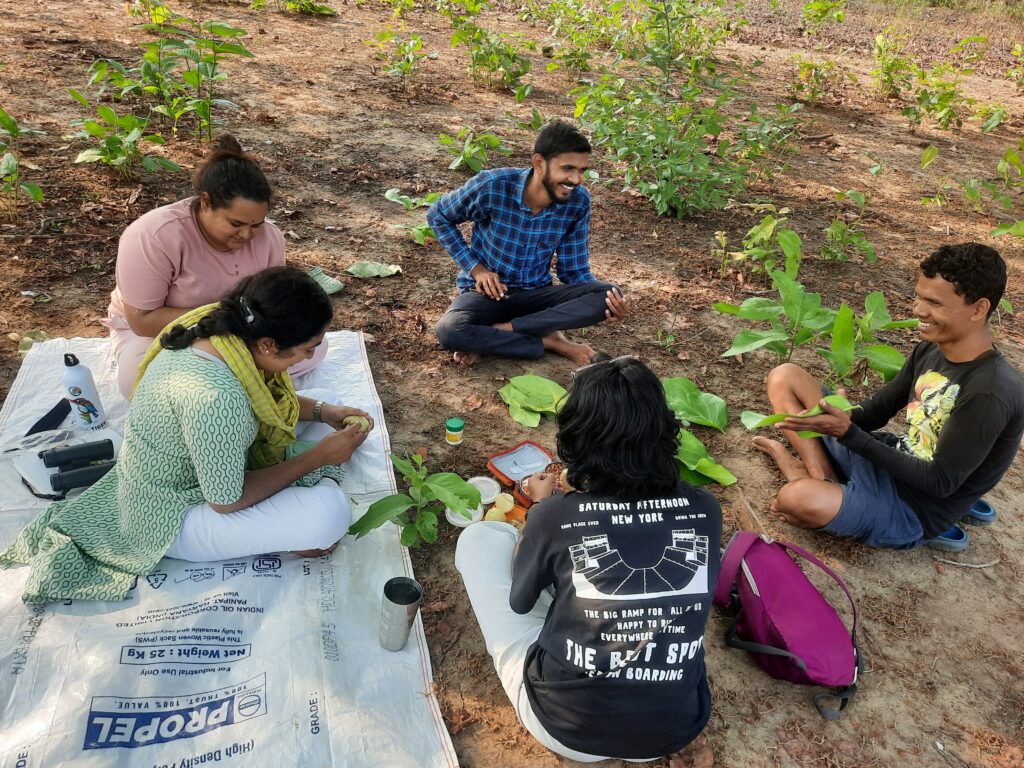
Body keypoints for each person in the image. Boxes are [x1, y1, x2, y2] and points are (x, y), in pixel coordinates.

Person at [1, 266, 373, 603]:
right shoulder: (215, 398)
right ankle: (301, 510)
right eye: (306, 350)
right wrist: (318, 457)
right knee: (329, 515)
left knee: (327, 400)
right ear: (268, 345)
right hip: (172, 513)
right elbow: (226, 500)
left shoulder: (214, 327)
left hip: (199, 465)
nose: (308, 359)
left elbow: (270, 401)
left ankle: (299, 499)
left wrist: (326, 412)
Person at [455, 357, 722, 762]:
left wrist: (541, 514)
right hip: (670, 729)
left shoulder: (556, 514)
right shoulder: (704, 507)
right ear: (664, 430)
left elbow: (520, 602)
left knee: (477, 540)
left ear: (576, 441)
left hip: (565, 726)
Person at [753, 243, 1024, 549]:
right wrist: (844, 414)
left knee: (796, 499)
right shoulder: (931, 349)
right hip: (887, 461)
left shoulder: (990, 392)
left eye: (935, 303)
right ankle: (820, 474)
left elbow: (939, 483)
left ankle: (808, 480)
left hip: (911, 509)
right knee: (785, 376)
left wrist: (848, 433)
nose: (918, 310)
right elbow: (876, 413)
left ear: (978, 309)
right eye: (919, 297)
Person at [104, 134, 325, 399]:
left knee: (312, 348)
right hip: (166, 333)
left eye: (256, 225)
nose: (247, 235)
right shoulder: (153, 237)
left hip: (242, 329)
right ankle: (239, 383)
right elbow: (142, 321)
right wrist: (229, 318)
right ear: (206, 203)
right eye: (235, 224)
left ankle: (233, 381)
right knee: (138, 381)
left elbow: (274, 301)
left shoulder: (270, 238)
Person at [428, 120, 629, 367]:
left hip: (536, 297)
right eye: (567, 168)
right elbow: (438, 216)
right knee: (450, 330)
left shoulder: (578, 202)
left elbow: (573, 270)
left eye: (582, 170)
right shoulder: (492, 185)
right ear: (538, 163)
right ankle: (550, 341)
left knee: (609, 292)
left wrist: (604, 302)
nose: (576, 179)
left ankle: (501, 332)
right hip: (486, 295)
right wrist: (477, 269)